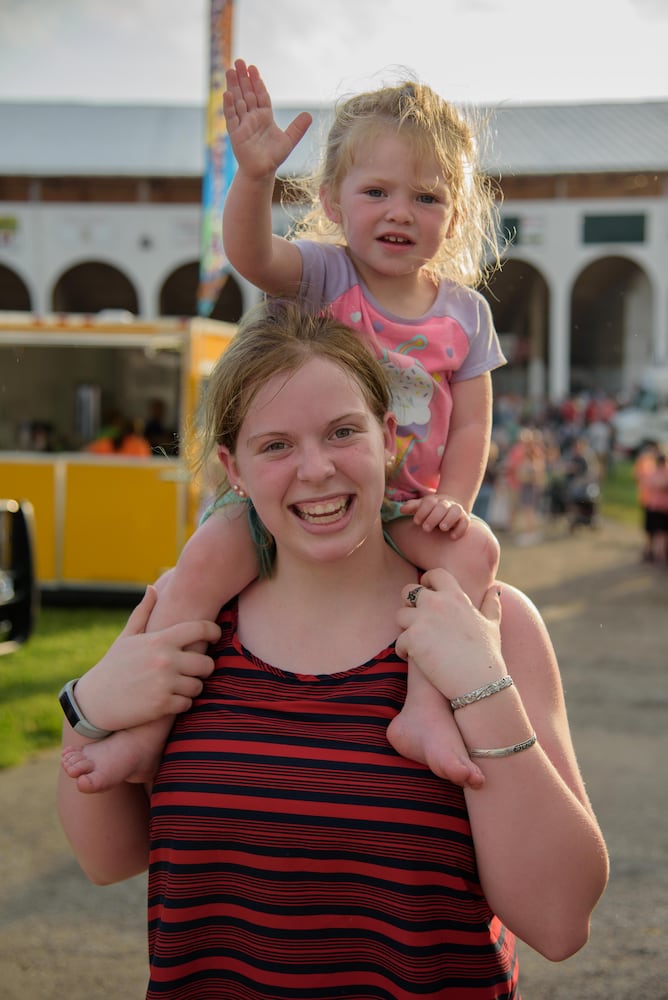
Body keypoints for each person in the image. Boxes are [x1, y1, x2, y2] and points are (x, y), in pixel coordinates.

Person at [58, 302, 608, 998]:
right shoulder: (189, 621)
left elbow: (559, 923)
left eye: (342, 432)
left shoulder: (491, 620)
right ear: (233, 466)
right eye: (276, 445)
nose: (316, 469)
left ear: (387, 438)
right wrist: (89, 711)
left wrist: (480, 686)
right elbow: (105, 857)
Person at [61, 59, 507, 792]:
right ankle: (144, 727)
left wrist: (453, 502)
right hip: (293, 497)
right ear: (331, 200)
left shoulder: (466, 313)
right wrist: (256, 176)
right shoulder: (327, 276)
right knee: (204, 563)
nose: (400, 212)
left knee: (476, 555)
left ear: (456, 216)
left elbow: (470, 427)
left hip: (401, 506)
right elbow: (252, 254)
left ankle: (425, 707)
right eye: (377, 192)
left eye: (426, 197)